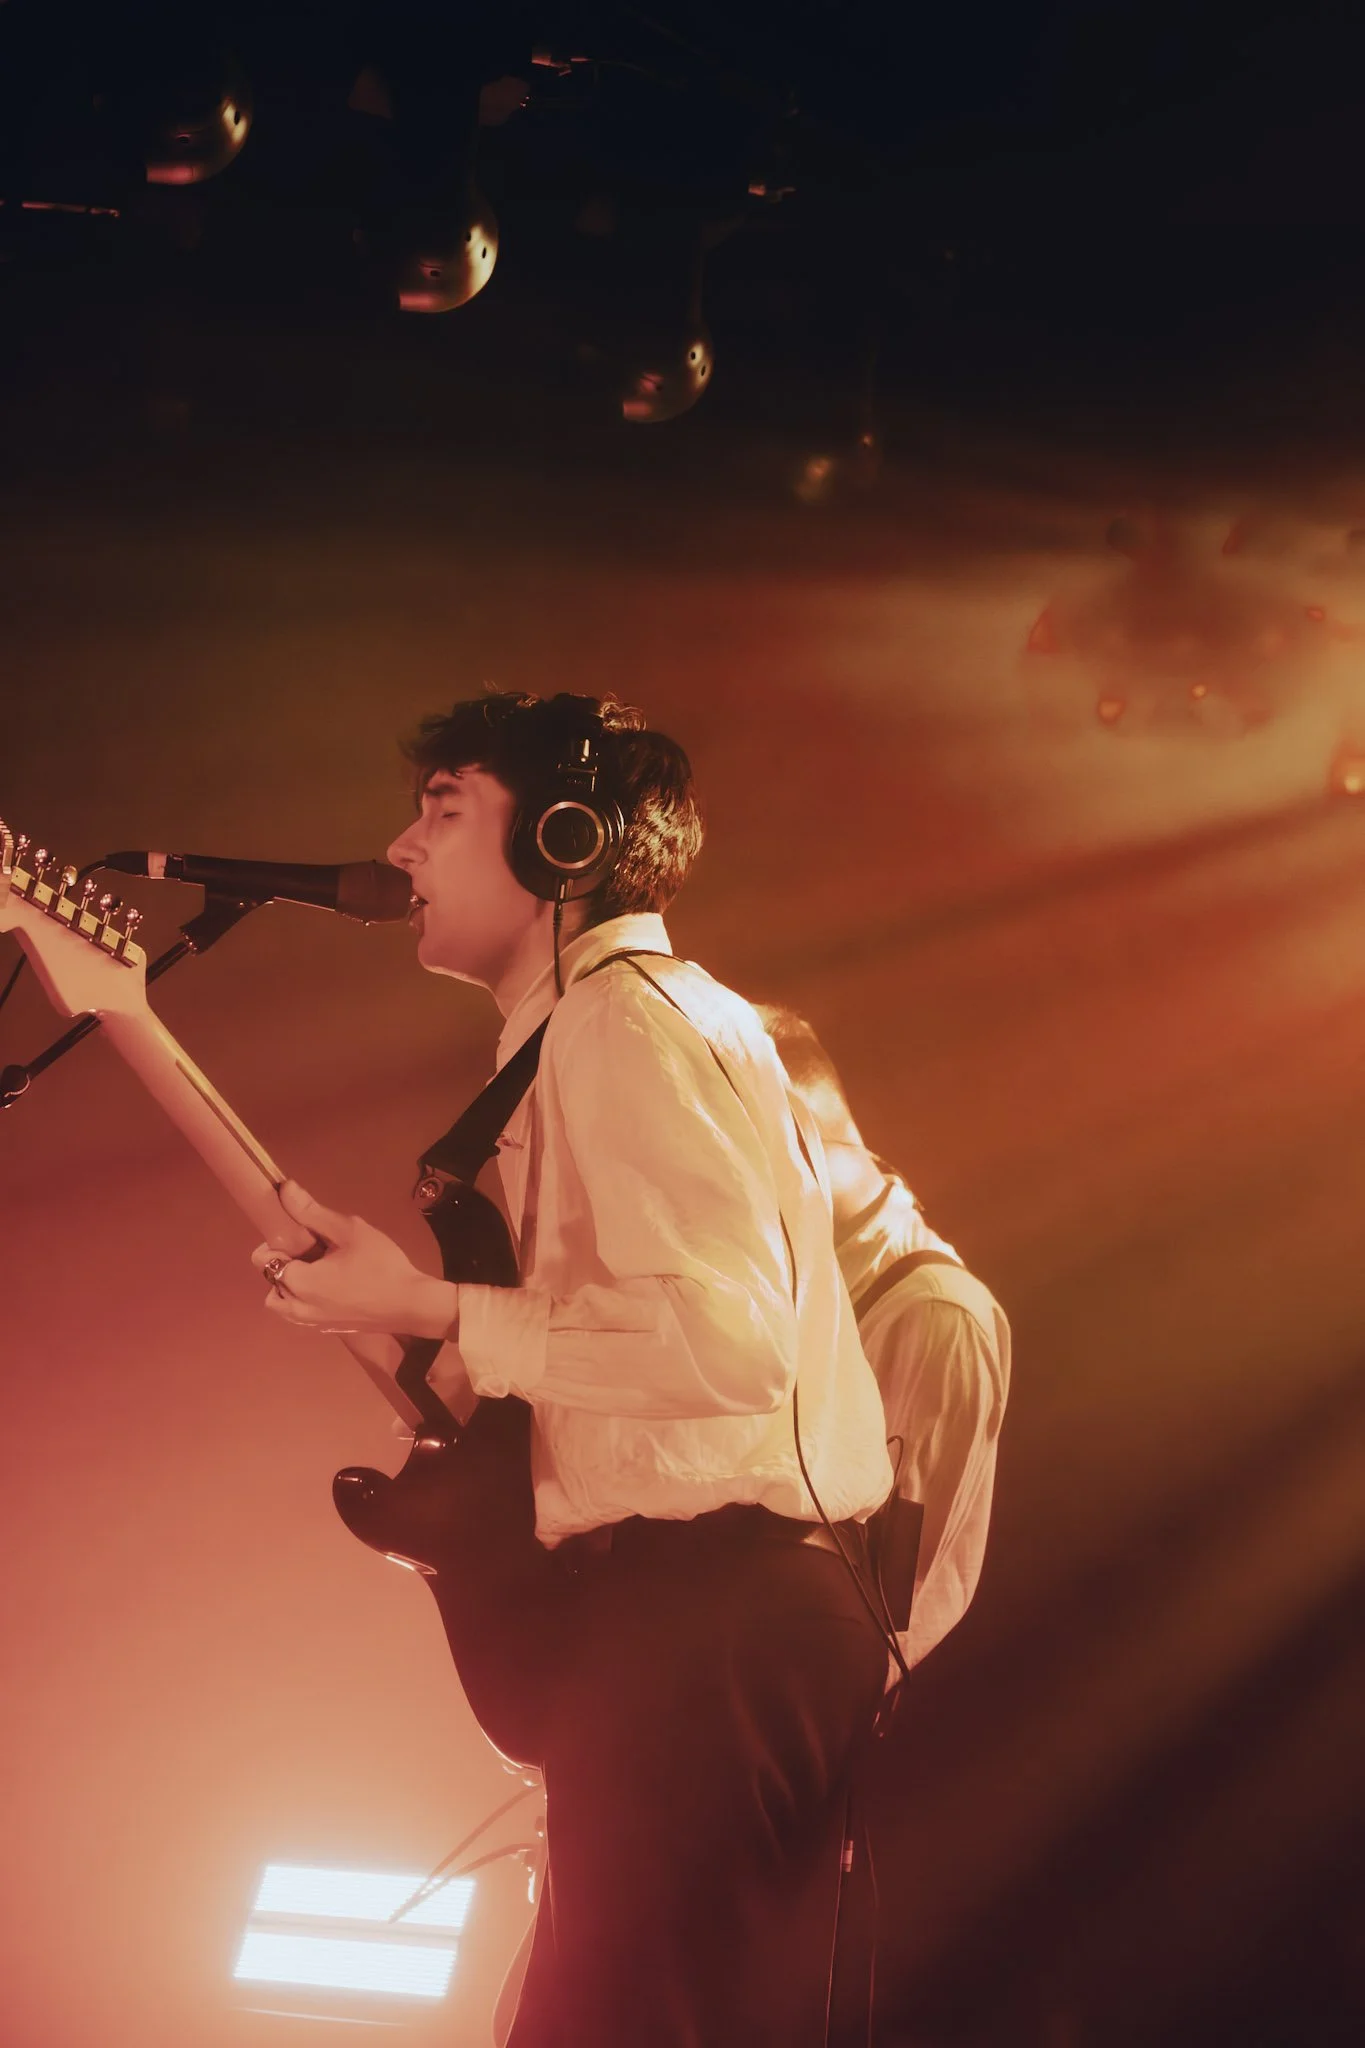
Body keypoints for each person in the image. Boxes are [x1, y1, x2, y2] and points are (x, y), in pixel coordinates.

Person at [250, 691, 898, 2048]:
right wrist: (403, 1316)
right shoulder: (622, 1020)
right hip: (724, 1608)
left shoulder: (617, 1022)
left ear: (564, 839)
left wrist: (425, 1300)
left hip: (715, 1605)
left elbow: (727, 1347)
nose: (402, 846)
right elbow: (631, 1348)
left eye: (444, 808)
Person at [754, 1006, 1010, 1677]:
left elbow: (887, 1599)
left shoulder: (935, 1316)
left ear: (794, 1132)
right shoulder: (789, 1259)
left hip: (790, 1693)